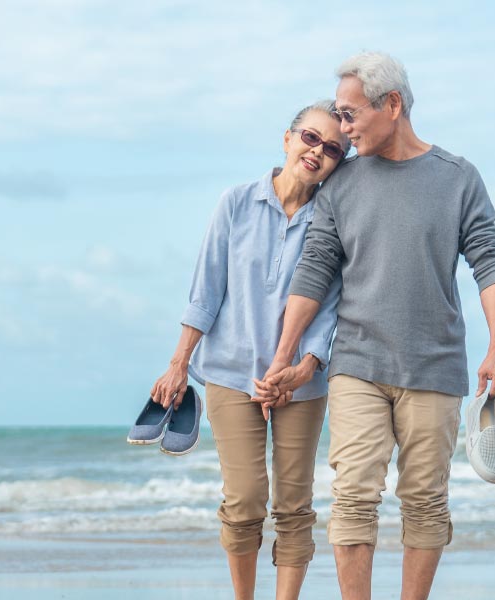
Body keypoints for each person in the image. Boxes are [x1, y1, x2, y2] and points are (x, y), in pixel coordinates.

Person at [255, 52, 495, 600]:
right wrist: (284, 355)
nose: (344, 131)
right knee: (353, 495)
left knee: (425, 499)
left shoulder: (457, 178)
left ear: (392, 105)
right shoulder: (342, 184)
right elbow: (314, 269)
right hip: (358, 363)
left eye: (350, 116)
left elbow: (489, 261)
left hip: (434, 365)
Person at [150, 100, 347, 600]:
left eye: (332, 149)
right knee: (243, 501)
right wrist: (178, 365)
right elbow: (206, 290)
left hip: (301, 383)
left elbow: (331, 307)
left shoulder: (335, 221)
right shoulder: (235, 202)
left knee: (294, 504)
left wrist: (303, 369)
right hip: (230, 374)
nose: (317, 151)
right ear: (287, 138)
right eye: (309, 137)